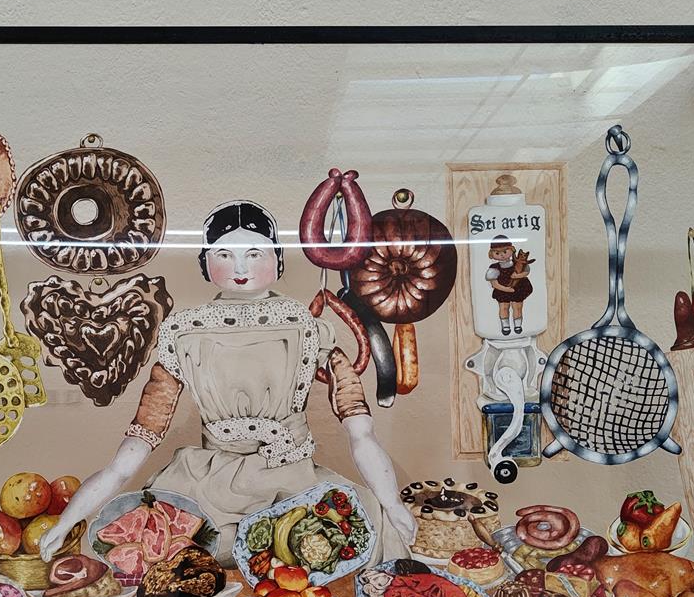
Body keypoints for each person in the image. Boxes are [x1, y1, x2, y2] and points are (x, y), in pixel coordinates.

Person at [39, 199, 415, 565]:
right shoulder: (184, 334)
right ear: (205, 263)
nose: (240, 267)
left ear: (277, 260)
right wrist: (68, 519)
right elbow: (129, 455)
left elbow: (361, 433)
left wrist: (392, 503)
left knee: (360, 524)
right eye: (223, 254)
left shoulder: (309, 329)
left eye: (254, 253)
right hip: (207, 487)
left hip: (293, 482)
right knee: (173, 549)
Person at [484, 234, 534, 335]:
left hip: (518, 288)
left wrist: (518, 276)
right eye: (497, 253)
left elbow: (526, 271)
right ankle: (505, 326)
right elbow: (494, 283)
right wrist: (506, 289)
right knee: (504, 307)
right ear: (492, 254)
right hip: (503, 290)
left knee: (517, 306)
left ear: (512, 250)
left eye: (505, 251)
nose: (502, 255)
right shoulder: (494, 268)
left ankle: (518, 325)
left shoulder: (518, 263)